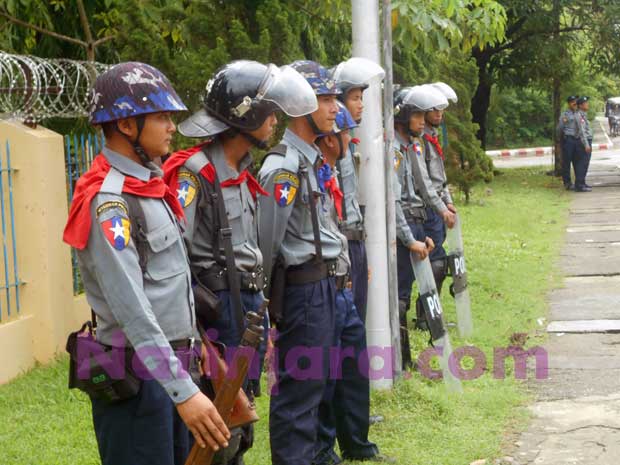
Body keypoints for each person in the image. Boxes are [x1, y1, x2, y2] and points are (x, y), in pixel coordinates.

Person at [63, 62, 230, 465]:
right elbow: (132, 309)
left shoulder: (150, 188)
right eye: (161, 117)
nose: (172, 126)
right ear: (125, 126)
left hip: (174, 369)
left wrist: (197, 345)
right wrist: (183, 392)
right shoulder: (111, 203)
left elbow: (169, 286)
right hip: (140, 381)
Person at [163, 60, 315, 464]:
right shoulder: (194, 174)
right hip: (217, 311)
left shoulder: (241, 168)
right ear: (244, 114)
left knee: (240, 415)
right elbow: (174, 254)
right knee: (218, 416)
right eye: (269, 112)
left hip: (246, 305)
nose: (275, 121)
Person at [257, 60, 342, 465]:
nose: (335, 108)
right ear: (301, 105)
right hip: (302, 291)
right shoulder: (284, 167)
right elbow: (267, 243)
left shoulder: (309, 160)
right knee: (298, 393)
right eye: (325, 99)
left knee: (316, 387)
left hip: (322, 287)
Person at [313, 102, 393, 464]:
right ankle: (324, 449)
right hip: (317, 285)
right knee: (322, 373)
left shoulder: (328, 173)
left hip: (341, 277)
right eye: (345, 133)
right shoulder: (305, 174)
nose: (349, 139)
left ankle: (357, 443)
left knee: (353, 365)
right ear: (330, 139)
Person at [329, 57, 385, 324]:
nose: (361, 104)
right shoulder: (331, 148)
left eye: (361, 97)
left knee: (357, 324)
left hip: (355, 243)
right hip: (342, 246)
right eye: (354, 97)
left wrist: (361, 256)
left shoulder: (348, 146)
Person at [392, 85, 436, 369]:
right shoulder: (394, 149)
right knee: (401, 298)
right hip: (403, 227)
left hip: (415, 222)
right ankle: (401, 361)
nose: (423, 120)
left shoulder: (410, 146)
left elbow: (420, 189)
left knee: (410, 294)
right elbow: (393, 201)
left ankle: (406, 359)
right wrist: (410, 239)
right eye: (417, 115)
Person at [412, 82, 458, 329]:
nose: (439, 113)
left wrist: (448, 202)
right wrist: (441, 206)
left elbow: (440, 177)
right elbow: (425, 182)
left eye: (442, 108)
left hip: (437, 203)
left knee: (438, 261)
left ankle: (430, 314)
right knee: (435, 260)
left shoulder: (433, 137)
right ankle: (425, 317)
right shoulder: (419, 140)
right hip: (427, 207)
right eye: (433, 108)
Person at [556, 95, 580, 190]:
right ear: (569, 103)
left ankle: (579, 182)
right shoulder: (565, 114)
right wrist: (559, 140)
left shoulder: (579, 113)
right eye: (572, 102)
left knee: (577, 162)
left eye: (576, 101)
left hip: (578, 140)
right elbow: (559, 128)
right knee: (566, 162)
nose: (575, 103)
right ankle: (567, 183)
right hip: (569, 140)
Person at [575, 96, 593, 192]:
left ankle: (582, 182)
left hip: (587, 141)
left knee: (585, 164)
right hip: (582, 142)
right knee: (582, 163)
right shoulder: (579, 116)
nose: (587, 104)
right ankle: (579, 185)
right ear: (581, 105)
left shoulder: (584, 115)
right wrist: (586, 144)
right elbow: (582, 132)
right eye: (586, 103)